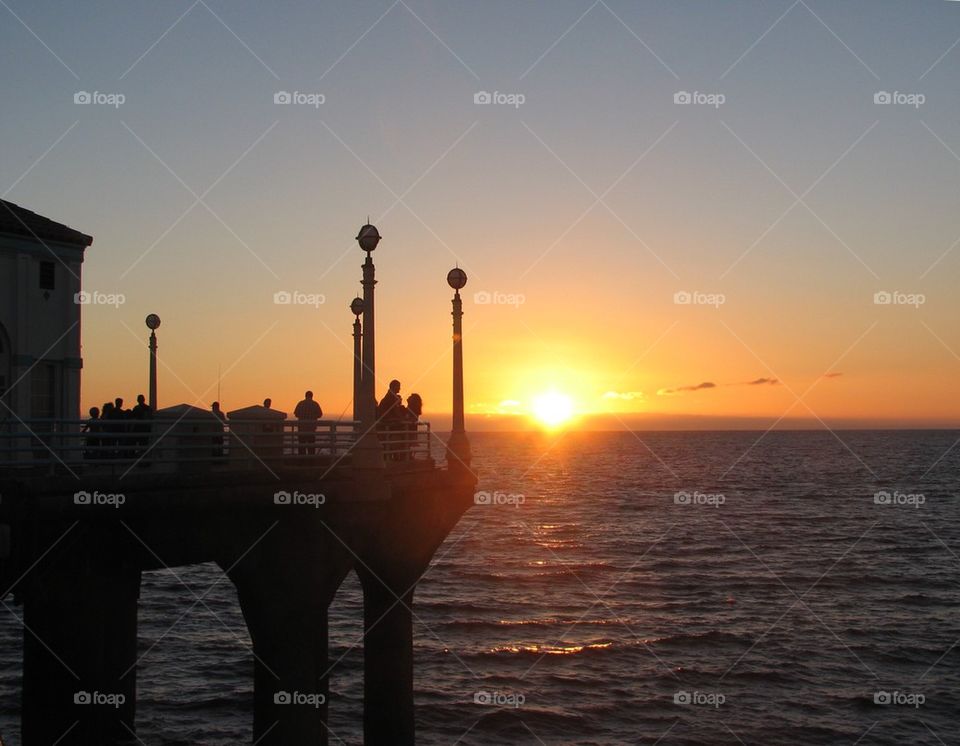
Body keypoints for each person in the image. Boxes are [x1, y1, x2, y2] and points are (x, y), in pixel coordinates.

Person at [294, 391, 322, 455]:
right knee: (311, 446)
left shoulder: (300, 403)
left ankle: (302, 459)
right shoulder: (315, 404)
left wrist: (302, 416)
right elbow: (320, 414)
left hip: (301, 428)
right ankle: (311, 459)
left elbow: (296, 414)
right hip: (311, 428)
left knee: (301, 445)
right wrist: (314, 416)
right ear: (312, 396)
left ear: (305, 396)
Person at [130, 394, 152, 458]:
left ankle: (140, 457)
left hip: (142, 428)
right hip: (140, 428)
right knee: (142, 444)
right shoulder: (143, 408)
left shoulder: (142, 408)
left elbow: (133, 418)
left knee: (142, 444)